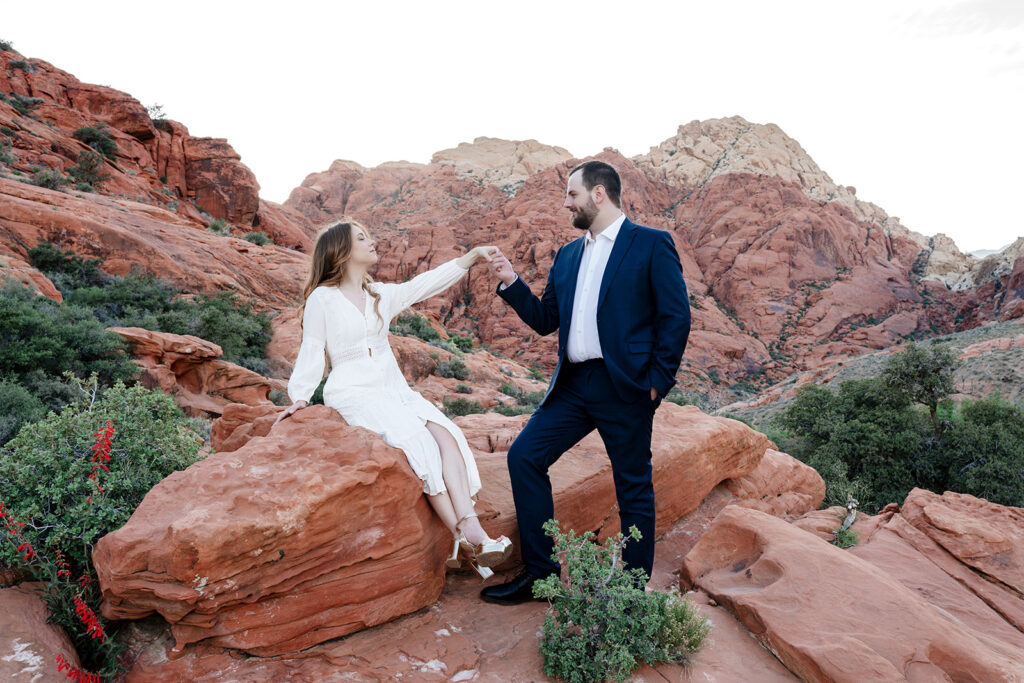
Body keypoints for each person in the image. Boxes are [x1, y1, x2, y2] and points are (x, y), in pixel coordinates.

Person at [480, 160, 690, 604]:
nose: (566, 203)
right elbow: (546, 320)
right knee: (525, 457)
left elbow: (676, 317)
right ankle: (541, 577)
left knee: (633, 486)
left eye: (572, 194)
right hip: (574, 385)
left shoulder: (651, 243)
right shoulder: (568, 254)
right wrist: (511, 281)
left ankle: (629, 594)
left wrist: (656, 383)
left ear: (599, 193)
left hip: (627, 386)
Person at [274, 219, 512, 578]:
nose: (372, 241)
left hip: (394, 389)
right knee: (420, 444)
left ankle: (467, 533)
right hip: (353, 392)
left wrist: (471, 258)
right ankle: (472, 536)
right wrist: (300, 398)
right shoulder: (322, 298)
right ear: (342, 251)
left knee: (448, 436)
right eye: (362, 237)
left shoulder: (378, 294)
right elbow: (312, 347)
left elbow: (423, 284)